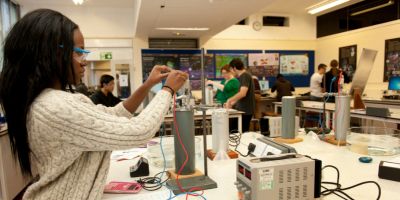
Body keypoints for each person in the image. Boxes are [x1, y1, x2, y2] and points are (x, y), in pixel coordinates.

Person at [0, 9, 188, 200]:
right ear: (51, 53)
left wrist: (148, 85)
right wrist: (168, 90)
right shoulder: (54, 106)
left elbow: (112, 115)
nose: (84, 61)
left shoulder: (47, 101)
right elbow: (140, 131)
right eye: (79, 52)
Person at [226, 58, 256, 133]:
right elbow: (242, 95)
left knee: (236, 133)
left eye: (231, 70)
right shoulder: (243, 76)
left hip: (245, 111)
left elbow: (243, 93)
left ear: (235, 68)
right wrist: (233, 103)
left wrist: (230, 100)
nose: (231, 73)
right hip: (243, 109)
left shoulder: (244, 75)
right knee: (235, 132)